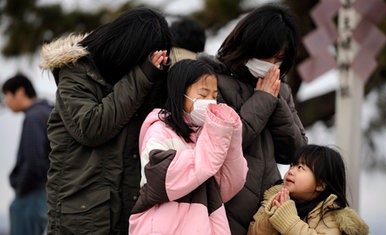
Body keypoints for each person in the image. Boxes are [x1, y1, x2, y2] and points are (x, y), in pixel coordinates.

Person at [39, 7, 172, 234]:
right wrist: (142, 76)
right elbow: (92, 127)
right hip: (83, 219)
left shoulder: (138, 84)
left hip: (126, 214)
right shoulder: (75, 73)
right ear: (130, 48)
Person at [198, 3, 308, 234]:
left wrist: (275, 100)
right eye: (266, 55)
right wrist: (264, 99)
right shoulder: (209, 79)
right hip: (221, 209)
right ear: (248, 45)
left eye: (278, 59)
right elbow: (223, 146)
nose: (271, 65)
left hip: (267, 212)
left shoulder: (281, 88)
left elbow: (296, 151)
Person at [129, 59, 248, 235]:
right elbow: (162, 177)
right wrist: (212, 146)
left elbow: (231, 184)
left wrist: (232, 132)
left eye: (214, 96)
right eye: (203, 94)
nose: (209, 102)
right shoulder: (159, 130)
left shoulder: (207, 134)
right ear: (180, 93)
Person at [248, 144, 369, 234]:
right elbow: (253, 233)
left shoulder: (330, 217)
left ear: (320, 184)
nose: (291, 171)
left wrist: (288, 219)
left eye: (300, 167)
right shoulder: (275, 198)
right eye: (292, 165)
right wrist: (274, 214)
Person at [2, 73, 53, 235]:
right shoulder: (47, 112)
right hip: (47, 192)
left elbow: (34, 162)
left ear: (20, 92)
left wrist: (20, 188)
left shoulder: (33, 117)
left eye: (7, 95)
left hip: (32, 195)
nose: (5, 101)